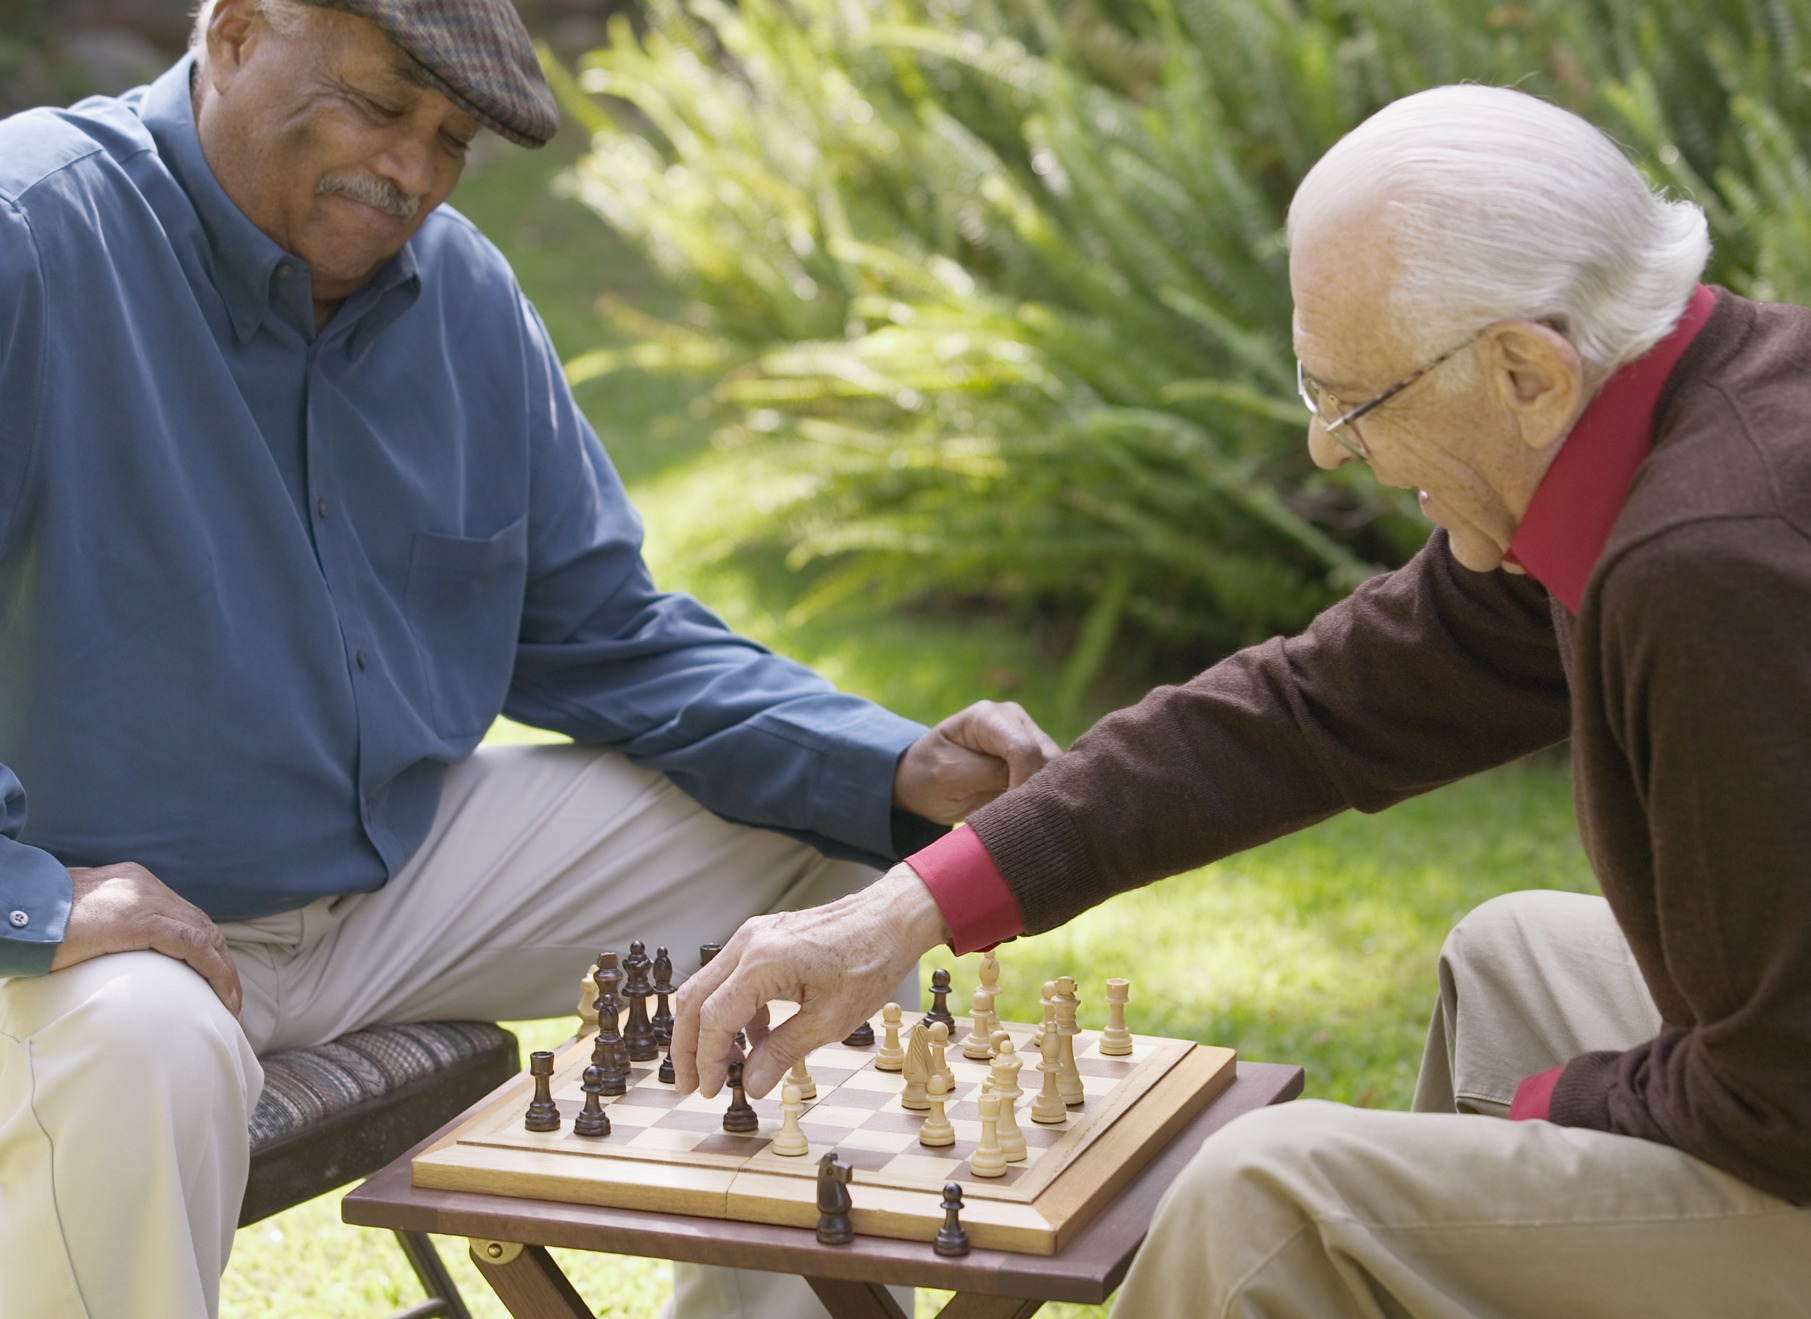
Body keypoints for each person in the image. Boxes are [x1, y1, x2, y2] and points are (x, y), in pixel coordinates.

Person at [671, 85, 1811, 1315]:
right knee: (1508, 957)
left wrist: (1547, 1106)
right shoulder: (1649, 433)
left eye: (1353, 402)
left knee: (1265, 1190)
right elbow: (1307, 708)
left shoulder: (1712, 562)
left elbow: (1779, 1101)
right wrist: (905, 908)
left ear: (1523, 369)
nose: (1329, 448)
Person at [0, 2, 1060, 1316]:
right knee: (140, 1043)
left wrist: (890, 758)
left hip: (378, 885)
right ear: (234, 34)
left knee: (817, 877)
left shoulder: (462, 294)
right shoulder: (28, 232)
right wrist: (28, 897)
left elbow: (603, 633)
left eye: (453, 139)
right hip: (85, 937)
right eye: (383, 107)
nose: (414, 174)